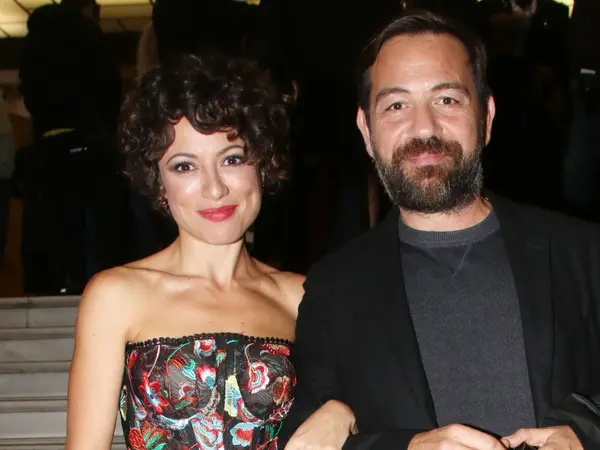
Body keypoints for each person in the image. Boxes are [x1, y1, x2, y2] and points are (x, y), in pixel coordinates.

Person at [281, 10, 600, 450]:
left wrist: (586, 431)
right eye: (396, 106)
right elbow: (303, 439)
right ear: (366, 131)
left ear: (486, 117)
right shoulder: (334, 289)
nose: (424, 128)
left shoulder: (582, 253)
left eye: (447, 100)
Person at [66, 52, 355, 450]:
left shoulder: (302, 296)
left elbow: (374, 402)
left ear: (262, 165)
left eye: (232, 159)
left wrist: (344, 414)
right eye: (185, 166)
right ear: (158, 183)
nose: (215, 188)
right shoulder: (115, 296)